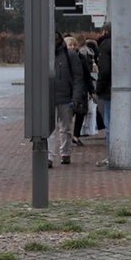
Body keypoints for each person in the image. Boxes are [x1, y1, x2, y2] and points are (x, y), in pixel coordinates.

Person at [51, 31, 85, 167]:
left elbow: (78, 78)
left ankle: (65, 153)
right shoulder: (45, 55)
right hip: (50, 98)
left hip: (66, 98)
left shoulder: (70, 56)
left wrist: (76, 98)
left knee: (65, 128)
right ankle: (49, 156)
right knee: (50, 129)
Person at [68, 35, 96, 143]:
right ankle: (68, 135)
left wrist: (91, 90)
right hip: (67, 90)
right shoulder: (62, 58)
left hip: (81, 89)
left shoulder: (81, 58)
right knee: (67, 115)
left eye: (74, 45)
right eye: (70, 45)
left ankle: (75, 135)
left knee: (80, 112)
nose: (72, 47)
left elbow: (87, 75)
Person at [94, 24, 113, 166]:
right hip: (119, 88)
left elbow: (104, 70)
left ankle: (111, 154)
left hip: (107, 90)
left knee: (109, 123)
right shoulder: (120, 42)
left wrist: (98, 89)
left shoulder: (105, 45)